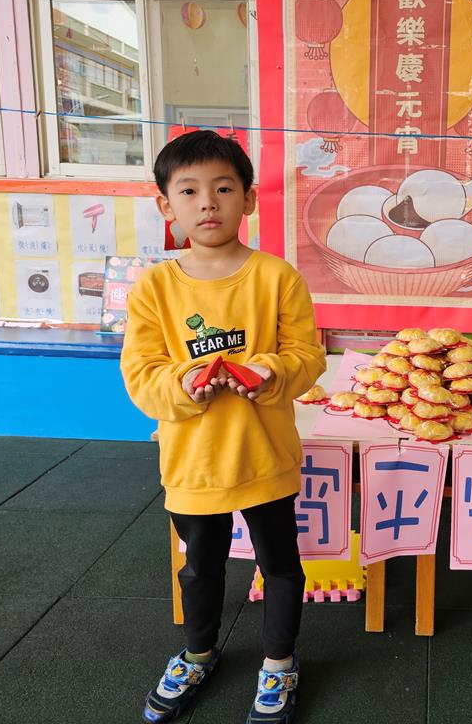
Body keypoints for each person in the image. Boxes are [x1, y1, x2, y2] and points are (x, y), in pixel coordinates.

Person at [120, 130, 326, 724]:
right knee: (199, 568)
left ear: (249, 199)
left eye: (224, 188)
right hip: (193, 463)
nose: (207, 202)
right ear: (166, 205)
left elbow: (307, 355)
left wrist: (269, 372)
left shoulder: (277, 277)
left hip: (265, 457)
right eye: (189, 191)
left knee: (280, 566)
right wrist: (183, 383)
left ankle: (279, 663)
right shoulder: (154, 288)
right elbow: (141, 375)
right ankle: (198, 653)